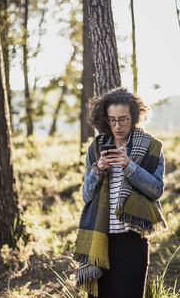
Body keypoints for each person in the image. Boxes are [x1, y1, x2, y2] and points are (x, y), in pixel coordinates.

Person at [74, 87, 167, 298]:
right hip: (101, 237)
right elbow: (86, 197)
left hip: (133, 239)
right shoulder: (96, 148)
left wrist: (129, 166)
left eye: (123, 119)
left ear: (134, 117)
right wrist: (97, 171)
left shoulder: (151, 146)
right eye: (112, 119)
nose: (117, 126)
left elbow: (156, 190)